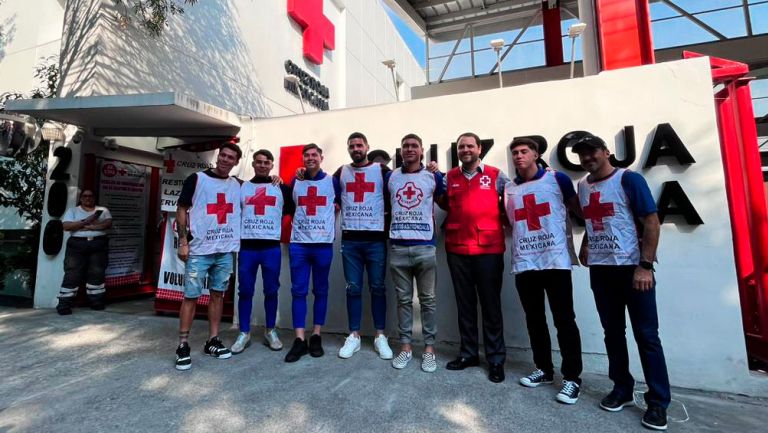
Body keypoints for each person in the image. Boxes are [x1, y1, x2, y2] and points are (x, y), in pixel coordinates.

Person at [572, 134, 670, 430]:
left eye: (592, 152)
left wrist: (645, 265)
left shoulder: (629, 179)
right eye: (582, 155)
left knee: (647, 336)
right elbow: (595, 219)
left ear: (606, 152)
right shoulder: (583, 185)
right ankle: (622, 389)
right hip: (602, 270)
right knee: (612, 332)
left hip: (632, 269)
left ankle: (658, 402)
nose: (588, 158)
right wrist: (587, 243)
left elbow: (651, 222)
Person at [504, 137, 583, 404]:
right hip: (526, 262)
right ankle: (544, 370)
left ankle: (572, 378)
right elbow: (510, 222)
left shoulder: (556, 179)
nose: (518, 156)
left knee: (564, 320)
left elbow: (577, 210)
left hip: (555, 260)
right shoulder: (509, 188)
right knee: (534, 319)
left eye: (524, 151)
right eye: (514, 152)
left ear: (536, 154)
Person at [438, 132, 509, 383]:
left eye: (470, 146)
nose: (465, 150)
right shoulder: (449, 178)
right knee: (464, 305)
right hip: (457, 249)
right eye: (461, 147)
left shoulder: (496, 175)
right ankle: (468, 354)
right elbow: (445, 203)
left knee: (491, 306)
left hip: (489, 249)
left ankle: (496, 359)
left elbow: (510, 202)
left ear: (479, 149)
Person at [174, 142, 242, 371]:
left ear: (236, 162)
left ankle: (212, 340)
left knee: (218, 295)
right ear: (218, 157)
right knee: (191, 296)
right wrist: (183, 241)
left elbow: (260, 190)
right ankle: (183, 344)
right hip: (200, 250)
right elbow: (182, 208)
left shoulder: (237, 185)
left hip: (224, 251)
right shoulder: (197, 179)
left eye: (230, 157)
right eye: (223, 155)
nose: (225, 160)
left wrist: (277, 180)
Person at [386, 133, 445, 372]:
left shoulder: (432, 176)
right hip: (398, 247)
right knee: (403, 300)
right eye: (405, 146)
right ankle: (406, 347)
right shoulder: (390, 177)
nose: (409, 149)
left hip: (425, 246)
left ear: (422, 150)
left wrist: (438, 171)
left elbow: (446, 201)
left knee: (428, 301)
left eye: (414, 146)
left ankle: (429, 348)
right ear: (400, 151)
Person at [334, 132, 393, 360]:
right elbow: (319, 185)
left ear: (367, 146)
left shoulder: (381, 171)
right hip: (350, 240)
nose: (356, 148)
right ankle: (354, 336)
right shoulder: (341, 172)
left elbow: (403, 183)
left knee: (378, 287)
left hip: (376, 240)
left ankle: (380, 336)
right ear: (348, 149)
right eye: (352, 146)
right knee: (353, 288)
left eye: (359, 145)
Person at [231, 149, 294, 354]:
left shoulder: (281, 188)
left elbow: (291, 210)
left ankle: (270, 330)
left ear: (272, 165)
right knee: (245, 291)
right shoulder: (242, 187)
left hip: (270, 248)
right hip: (248, 247)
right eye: (259, 162)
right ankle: (244, 332)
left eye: (267, 162)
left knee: (271, 290)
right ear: (253, 164)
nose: (262, 165)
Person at [284, 143, 340, 363]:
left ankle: (316, 334)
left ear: (321, 158)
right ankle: (299, 339)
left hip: (323, 244)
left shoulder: (332, 181)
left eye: (314, 155)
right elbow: (288, 205)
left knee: (321, 290)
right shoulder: (296, 180)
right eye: (306, 155)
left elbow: (342, 201)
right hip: (299, 244)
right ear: (302, 159)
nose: (310, 158)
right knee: (298, 291)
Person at [56, 189, 113, 315]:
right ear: (81, 198)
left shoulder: (103, 210)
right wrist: (87, 221)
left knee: (97, 273)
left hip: (98, 243)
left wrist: (90, 227)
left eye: (91, 195)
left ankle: (96, 302)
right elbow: (66, 226)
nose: (88, 198)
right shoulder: (73, 211)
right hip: (77, 244)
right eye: (85, 196)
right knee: (72, 273)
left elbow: (108, 224)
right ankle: (64, 305)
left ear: (94, 198)